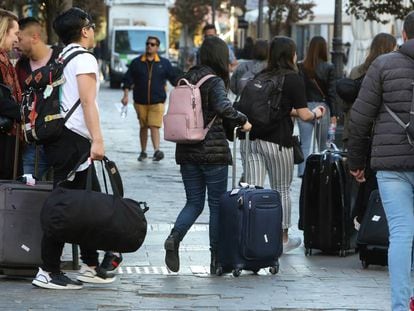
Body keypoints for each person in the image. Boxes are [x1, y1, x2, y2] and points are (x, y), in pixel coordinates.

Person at [32, 7, 117, 290]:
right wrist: (98, 139)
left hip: (61, 137)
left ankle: (91, 264)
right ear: (84, 30)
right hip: (74, 139)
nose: (93, 30)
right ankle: (48, 269)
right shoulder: (84, 58)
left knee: (86, 203)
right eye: (91, 26)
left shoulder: (62, 55)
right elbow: (88, 101)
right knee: (65, 206)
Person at [163, 36, 252, 274]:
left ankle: (174, 237)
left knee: (193, 202)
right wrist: (242, 120)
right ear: (220, 57)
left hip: (186, 150)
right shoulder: (214, 81)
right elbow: (224, 107)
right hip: (212, 153)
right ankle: (217, 259)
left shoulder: (187, 77)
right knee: (216, 206)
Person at [348, 11, 414, 311]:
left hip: (391, 164)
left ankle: (401, 306)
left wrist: (356, 161)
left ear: (403, 34)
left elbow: (360, 119)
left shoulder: (383, 64)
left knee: (401, 234)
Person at [245, 36, 326, 253]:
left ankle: (250, 234)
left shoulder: (261, 75)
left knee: (252, 190)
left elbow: (276, 107)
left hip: (252, 140)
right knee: (281, 189)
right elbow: (304, 114)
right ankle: (282, 238)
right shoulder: (292, 78)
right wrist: (317, 113)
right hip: (278, 142)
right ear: (291, 54)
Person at [15, 17, 60, 180]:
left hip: (60, 140)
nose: (15, 43)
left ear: (34, 37)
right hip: (33, 144)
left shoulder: (60, 58)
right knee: (26, 188)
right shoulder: (20, 66)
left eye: (19, 39)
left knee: (64, 191)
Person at [121, 36, 177, 162]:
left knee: (154, 125)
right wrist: (125, 95)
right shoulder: (137, 62)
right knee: (143, 126)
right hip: (140, 101)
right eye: (147, 44)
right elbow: (127, 80)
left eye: (152, 44)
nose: (149, 46)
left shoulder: (164, 63)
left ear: (157, 47)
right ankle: (143, 151)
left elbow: (174, 78)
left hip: (157, 101)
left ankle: (157, 150)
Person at [342, 33, 397, 150]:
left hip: (354, 130)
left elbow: (346, 104)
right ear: (390, 49)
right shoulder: (390, 73)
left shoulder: (356, 71)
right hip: (379, 133)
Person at [297, 36, 337, 178]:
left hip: (305, 108)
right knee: (324, 145)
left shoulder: (301, 66)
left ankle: (303, 172)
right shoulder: (329, 67)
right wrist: (334, 114)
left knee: (304, 144)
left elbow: (299, 89)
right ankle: (324, 171)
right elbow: (332, 92)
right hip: (322, 108)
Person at [230, 39, 268, 182]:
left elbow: (233, 86)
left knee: (246, 143)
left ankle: (248, 171)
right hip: (264, 111)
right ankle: (253, 174)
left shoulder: (243, 66)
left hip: (244, 110)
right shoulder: (272, 68)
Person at [0, 9, 22, 180]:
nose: (17, 38)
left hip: (8, 134)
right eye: (15, 33)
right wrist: (23, 111)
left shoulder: (5, 60)